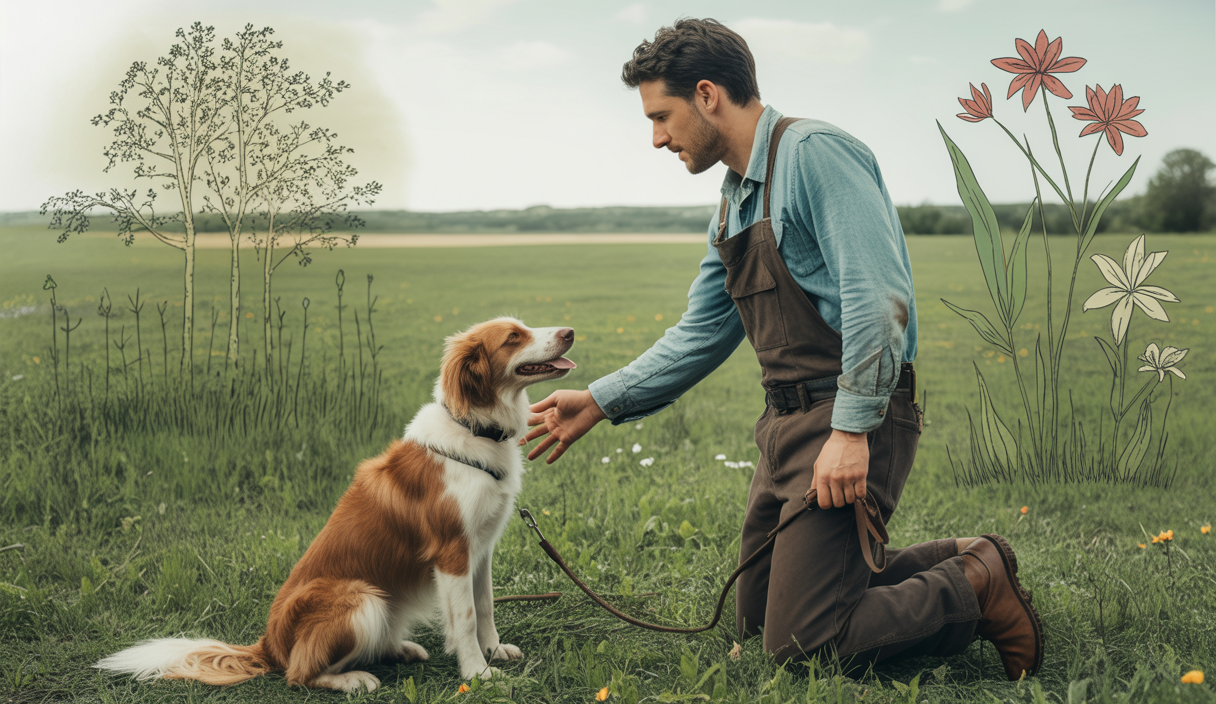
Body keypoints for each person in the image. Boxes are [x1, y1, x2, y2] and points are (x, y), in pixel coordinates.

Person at [521, 18, 1042, 679]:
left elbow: (878, 297)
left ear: (708, 95)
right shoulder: (732, 201)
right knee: (759, 619)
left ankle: (976, 588)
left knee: (803, 644)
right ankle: (969, 556)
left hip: (851, 416)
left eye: (662, 116)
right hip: (785, 428)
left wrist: (852, 432)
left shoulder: (816, 155)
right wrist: (599, 400)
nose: (656, 138)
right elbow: (702, 331)